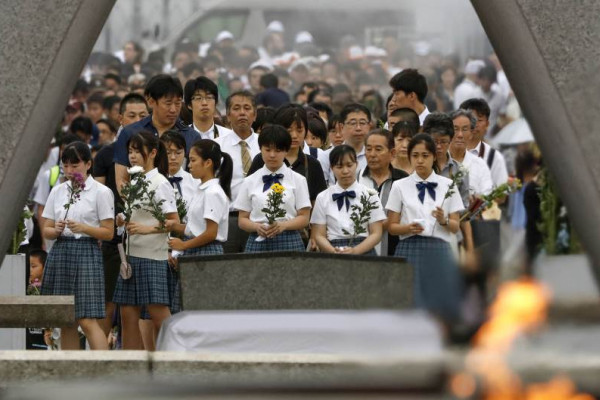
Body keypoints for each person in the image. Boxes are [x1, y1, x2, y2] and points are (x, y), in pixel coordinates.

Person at [41, 142, 115, 350]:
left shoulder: (101, 192)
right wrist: (55, 230)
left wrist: (83, 227)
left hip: (86, 251)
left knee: (87, 319)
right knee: (66, 320)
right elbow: (46, 228)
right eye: (66, 166)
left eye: (76, 165)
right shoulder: (58, 191)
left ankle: (104, 368)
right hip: (61, 250)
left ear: (88, 164)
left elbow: (108, 232)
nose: (70, 171)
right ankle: (72, 373)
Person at [386, 134, 464, 322]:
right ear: (410, 157)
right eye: (415, 155)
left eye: (425, 155)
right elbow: (391, 227)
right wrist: (407, 228)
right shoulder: (399, 186)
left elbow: (455, 227)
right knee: (408, 297)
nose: (420, 160)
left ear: (434, 157)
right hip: (409, 246)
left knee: (439, 297)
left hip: (438, 247)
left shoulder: (448, 185)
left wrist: (443, 219)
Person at [113, 131, 178, 350]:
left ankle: (172, 363)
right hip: (131, 256)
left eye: (137, 151)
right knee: (127, 315)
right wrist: (123, 220)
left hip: (152, 256)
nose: (132, 156)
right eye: (129, 151)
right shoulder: (135, 181)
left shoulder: (160, 182)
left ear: (152, 152)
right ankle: (132, 370)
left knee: (160, 315)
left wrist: (146, 228)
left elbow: (173, 221)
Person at [93, 95, 150, 339]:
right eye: (132, 116)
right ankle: (101, 356)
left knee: (138, 305)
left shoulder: (153, 151)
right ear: (120, 118)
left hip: (145, 235)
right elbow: (98, 195)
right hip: (113, 238)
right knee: (108, 302)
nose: (138, 121)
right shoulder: (107, 154)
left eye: (142, 116)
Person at [114, 74, 200, 194]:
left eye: (178, 103)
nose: (174, 109)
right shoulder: (130, 133)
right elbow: (122, 180)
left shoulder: (191, 136)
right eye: (168, 103)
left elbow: (197, 180)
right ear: (151, 101)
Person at [234, 125, 311, 252]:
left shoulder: (298, 180)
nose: (272, 155)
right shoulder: (249, 181)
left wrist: (283, 226)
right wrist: (257, 227)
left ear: (286, 151)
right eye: (268, 150)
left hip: (289, 239)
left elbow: (304, 218)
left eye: (278, 150)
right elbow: (242, 219)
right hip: (258, 239)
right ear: (260, 149)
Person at [312, 144, 386, 254]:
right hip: (333, 249)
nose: (345, 171)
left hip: (364, 249)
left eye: (349, 165)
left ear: (356, 164)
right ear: (332, 168)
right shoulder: (323, 197)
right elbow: (319, 234)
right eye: (339, 167)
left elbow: (376, 233)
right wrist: (333, 251)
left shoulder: (370, 194)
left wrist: (356, 250)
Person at [248, 105, 327, 203]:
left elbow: (319, 202)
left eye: (299, 130)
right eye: (288, 130)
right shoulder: (262, 159)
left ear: (306, 130)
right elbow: (248, 195)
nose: (294, 135)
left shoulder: (313, 164)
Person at [168, 139, 233, 256]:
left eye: (193, 160)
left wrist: (183, 245)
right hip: (196, 248)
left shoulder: (213, 192)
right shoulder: (202, 189)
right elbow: (196, 229)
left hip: (207, 251)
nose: (189, 165)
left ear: (208, 163)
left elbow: (211, 233)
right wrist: (174, 226)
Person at [214, 90, 261, 253]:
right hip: (228, 219)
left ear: (255, 115)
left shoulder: (266, 146)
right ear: (227, 115)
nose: (242, 113)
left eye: (247, 108)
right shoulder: (216, 147)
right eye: (236, 108)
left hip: (259, 220)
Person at [357, 129, 408, 255]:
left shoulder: (403, 180)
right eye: (368, 149)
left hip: (395, 250)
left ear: (392, 153)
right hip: (362, 250)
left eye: (378, 149)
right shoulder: (356, 178)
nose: (372, 154)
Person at [461, 98, 509, 189]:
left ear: (487, 124)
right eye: (471, 119)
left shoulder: (494, 157)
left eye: (479, 120)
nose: (475, 125)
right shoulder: (447, 152)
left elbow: (502, 196)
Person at [449, 110, 493, 197]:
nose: (460, 135)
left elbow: (487, 195)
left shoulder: (480, 165)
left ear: (471, 134)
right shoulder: (438, 160)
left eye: (465, 129)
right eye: (456, 129)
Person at [184, 76, 234, 140]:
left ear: (216, 103)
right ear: (189, 105)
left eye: (209, 97)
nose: (204, 103)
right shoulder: (182, 137)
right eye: (198, 98)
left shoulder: (228, 136)